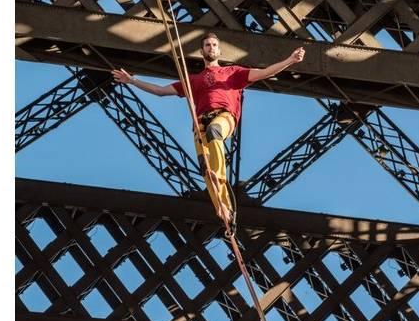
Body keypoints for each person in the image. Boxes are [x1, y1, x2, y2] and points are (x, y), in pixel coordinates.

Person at [112, 33, 305, 224]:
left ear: (219, 51)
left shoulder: (233, 72)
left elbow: (265, 73)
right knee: (205, 167)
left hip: (224, 117)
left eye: (214, 45)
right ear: (202, 51)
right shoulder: (193, 80)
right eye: (207, 45)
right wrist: (132, 81)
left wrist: (290, 60)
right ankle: (222, 207)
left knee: (214, 132)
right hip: (200, 123)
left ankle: (221, 186)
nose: (211, 48)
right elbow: (160, 91)